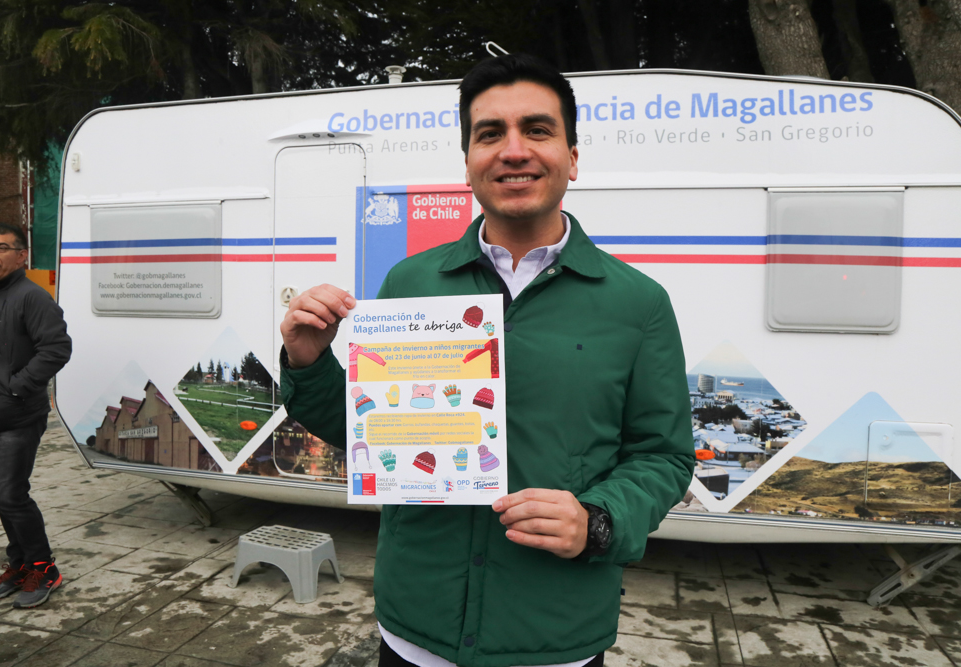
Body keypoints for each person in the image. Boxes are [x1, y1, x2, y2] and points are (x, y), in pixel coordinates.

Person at [280, 54, 694, 666]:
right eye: (490, 133)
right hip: (416, 629)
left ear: (572, 157)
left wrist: (599, 520)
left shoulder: (638, 302)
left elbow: (664, 456)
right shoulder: (409, 284)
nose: (514, 150)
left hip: (554, 635)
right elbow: (373, 431)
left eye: (538, 130)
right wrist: (310, 362)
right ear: (469, 161)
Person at [0, 222, 71, 608]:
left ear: (21, 256)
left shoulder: (33, 297)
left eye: (0, 248)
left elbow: (57, 348)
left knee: (11, 494)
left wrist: (16, 387)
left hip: (17, 417)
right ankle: (19, 566)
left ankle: (44, 569)